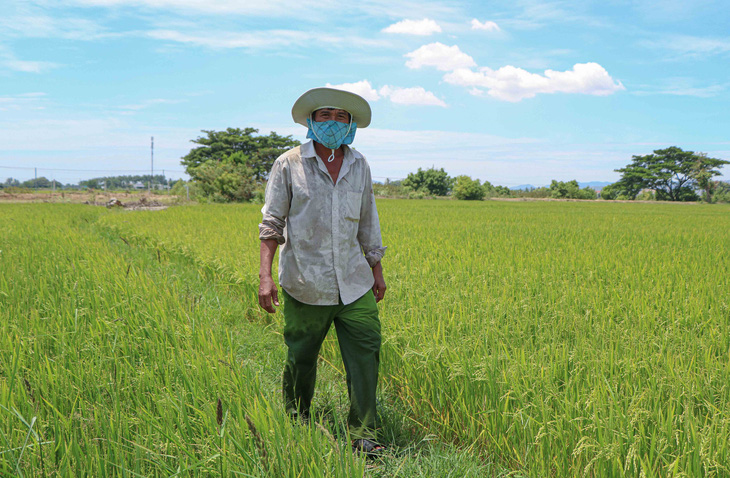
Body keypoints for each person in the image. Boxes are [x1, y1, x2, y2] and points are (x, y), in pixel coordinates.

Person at [258, 87, 387, 456]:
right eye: (325, 115)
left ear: (351, 126)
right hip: (305, 282)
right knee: (301, 357)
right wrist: (266, 277)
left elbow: (368, 220)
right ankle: (297, 420)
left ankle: (363, 432)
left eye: (341, 116)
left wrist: (376, 269)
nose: (333, 122)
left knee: (366, 353)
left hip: (354, 282)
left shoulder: (359, 164)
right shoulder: (289, 164)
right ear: (312, 121)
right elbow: (272, 223)